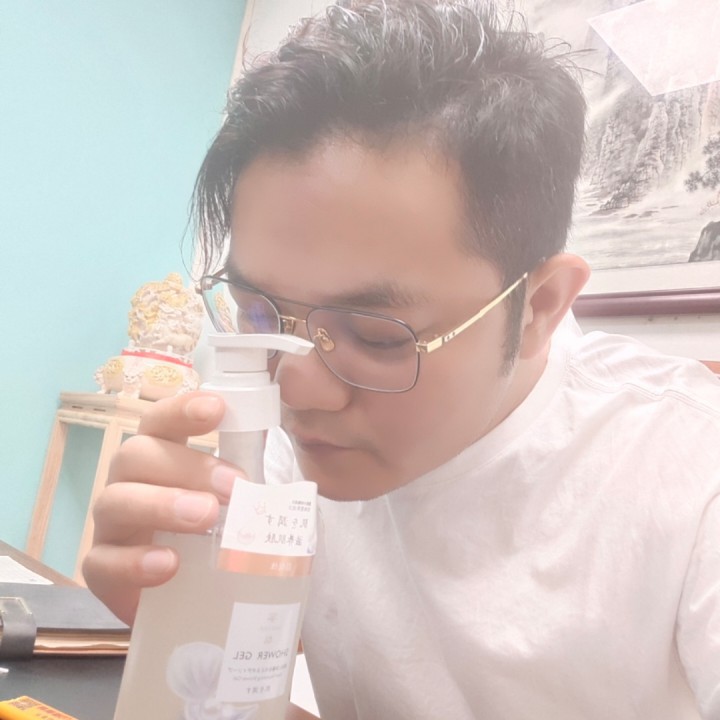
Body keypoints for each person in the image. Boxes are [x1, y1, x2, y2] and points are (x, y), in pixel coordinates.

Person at [83, 1, 720, 718]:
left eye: (376, 337)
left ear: (539, 307)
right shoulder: (286, 455)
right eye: (259, 314)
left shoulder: (688, 472)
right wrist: (186, 633)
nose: (297, 390)